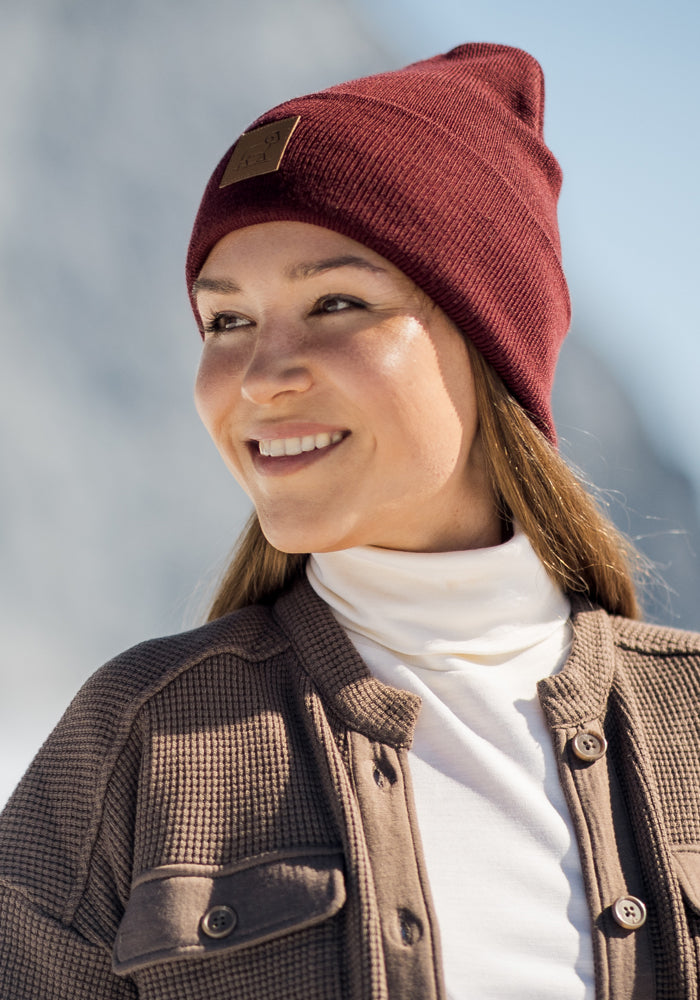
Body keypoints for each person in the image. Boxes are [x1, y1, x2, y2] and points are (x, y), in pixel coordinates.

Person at [1, 42, 698, 1000]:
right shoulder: (139, 743)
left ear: (488, 342)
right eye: (226, 321)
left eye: (335, 302)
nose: (259, 377)